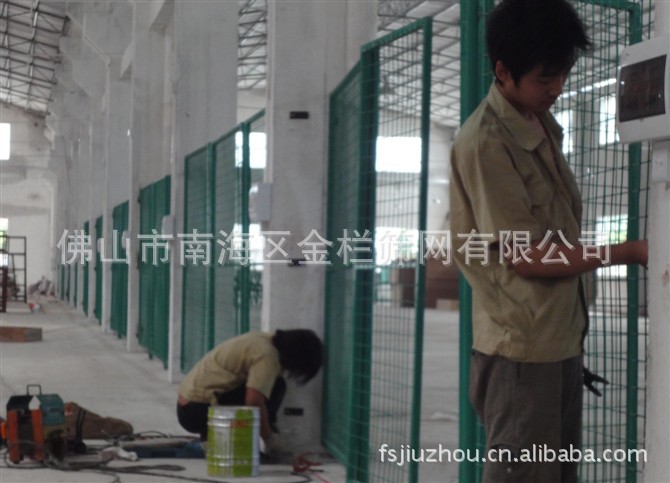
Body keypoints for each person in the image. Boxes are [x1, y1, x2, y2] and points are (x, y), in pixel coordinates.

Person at [449, 0, 648, 481]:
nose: (557, 88)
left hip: (558, 340)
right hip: (521, 353)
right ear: (503, 71)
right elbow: (527, 257)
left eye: (563, 74)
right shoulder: (487, 142)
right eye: (545, 78)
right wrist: (627, 252)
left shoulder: (539, 124)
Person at [176, 329, 323, 455]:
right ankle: (226, 442)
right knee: (275, 387)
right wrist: (269, 439)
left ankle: (212, 437)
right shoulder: (267, 356)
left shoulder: (263, 339)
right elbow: (253, 401)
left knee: (269, 385)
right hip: (196, 412)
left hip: (188, 407)